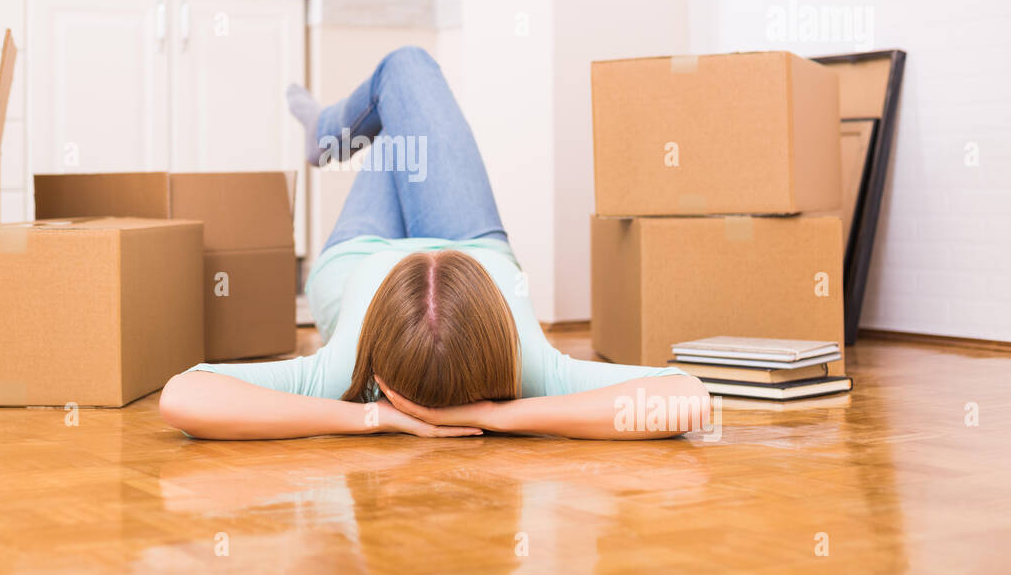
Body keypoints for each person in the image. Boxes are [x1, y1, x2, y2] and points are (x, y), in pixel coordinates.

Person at [159, 46, 710, 440]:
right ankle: (330, 130)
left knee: (404, 78)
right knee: (403, 85)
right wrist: (503, 416)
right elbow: (689, 399)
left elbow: (183, 396)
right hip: (473, 241)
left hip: (360, 251)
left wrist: (370, 417)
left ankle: (328, 131)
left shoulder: (344, 371)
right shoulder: (532, 368)